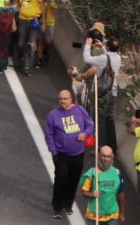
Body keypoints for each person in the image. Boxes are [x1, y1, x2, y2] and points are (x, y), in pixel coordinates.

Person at [43, 89, 94, 219]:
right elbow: (49, 135)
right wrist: (54, 152)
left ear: (71, 99)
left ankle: (68, 204)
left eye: (65, 98)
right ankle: (57, 207)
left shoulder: (80, 110)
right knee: (61, 180)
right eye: (60, 99)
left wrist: (85, 134)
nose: (63, 101)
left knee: (73, 180)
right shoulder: (53, 115)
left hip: (78, 154)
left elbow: (90, 125)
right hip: (61, 156)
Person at [71, 30, 121, 152]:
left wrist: (88, 45)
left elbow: (87, 59)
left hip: (102, 92)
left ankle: (101, 147)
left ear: (108, 46)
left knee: (101, 121)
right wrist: (103, 47)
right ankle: (112, 146)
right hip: (112, 92)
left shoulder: (102, 59)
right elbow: (109, 56)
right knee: (109, 119)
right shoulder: (118, 57)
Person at [79, 145, 124, 224]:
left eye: (108, 156)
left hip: (112, 215)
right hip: (94, 216)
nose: (105, 159)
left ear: (112, 156)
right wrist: (92, 194)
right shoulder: (92, 173)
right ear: (99, 155)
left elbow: (121, 194)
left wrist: (122, 212)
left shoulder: (117, 173)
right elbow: (84, 192)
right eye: (103, 156)